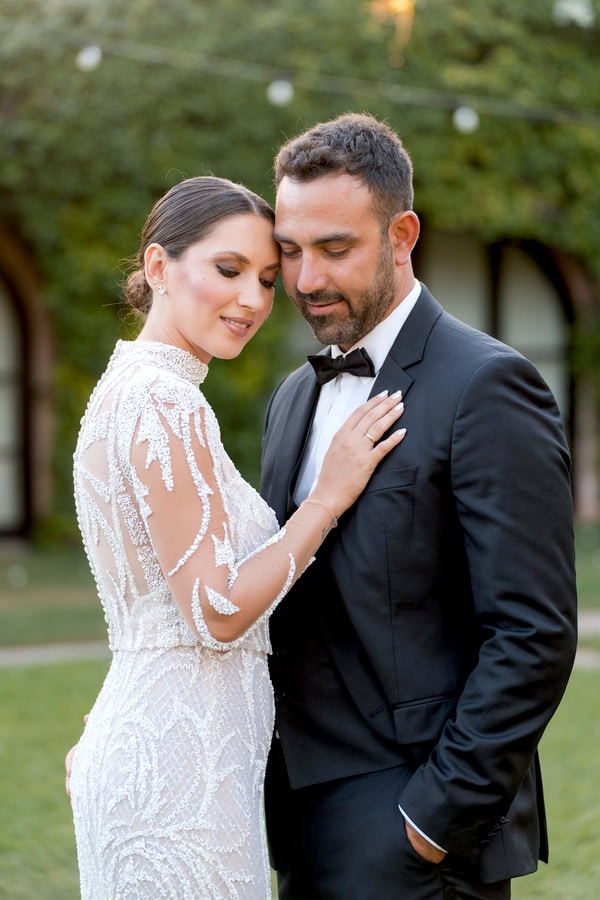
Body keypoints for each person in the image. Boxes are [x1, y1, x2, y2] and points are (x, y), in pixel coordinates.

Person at [260, 112, 578, 899]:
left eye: (335, 249)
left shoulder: (487, 385)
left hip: (413, 836)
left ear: (402, 235)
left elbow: (533, 633)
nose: (306, 280)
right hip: (293, 824)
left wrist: (430, 825)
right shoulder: (292, 397)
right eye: (291, 251)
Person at [66, 174, 407, 899]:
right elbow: (215, 612)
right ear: (158, 267)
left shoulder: (130, 387)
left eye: (264, 279)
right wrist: (328, 498)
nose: (251, 299)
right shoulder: (164, 402)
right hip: (180, 769)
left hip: (169, 746)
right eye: (228, 271)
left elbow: (155, 609)